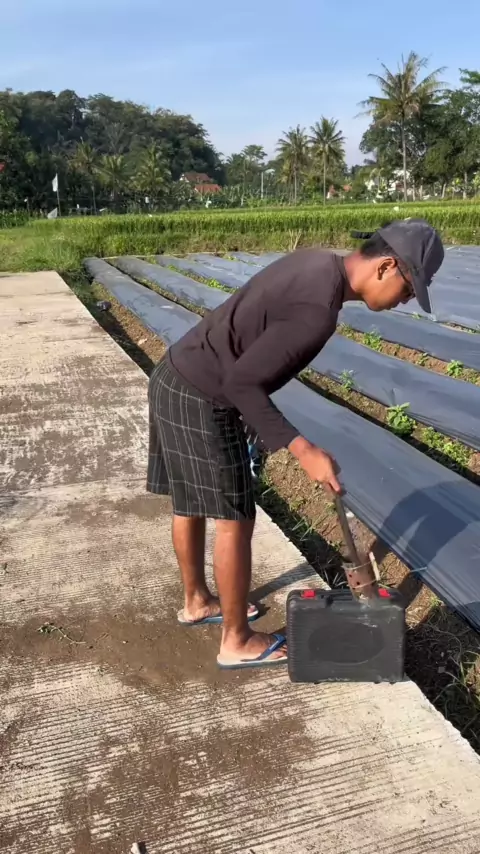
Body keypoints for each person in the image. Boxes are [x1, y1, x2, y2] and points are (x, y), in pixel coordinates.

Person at [147, 218, 444, 670]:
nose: (404, 300)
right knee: (234, 518)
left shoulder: (317, 262)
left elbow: (247, 348)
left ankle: (197, 601)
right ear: (386, 267)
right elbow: (241, 382)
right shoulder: (317, 312)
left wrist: (256, 422)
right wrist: (303, 449)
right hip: (205, 395)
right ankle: (236, 640)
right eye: (408, 289)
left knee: (189, 502)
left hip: (176, 376)